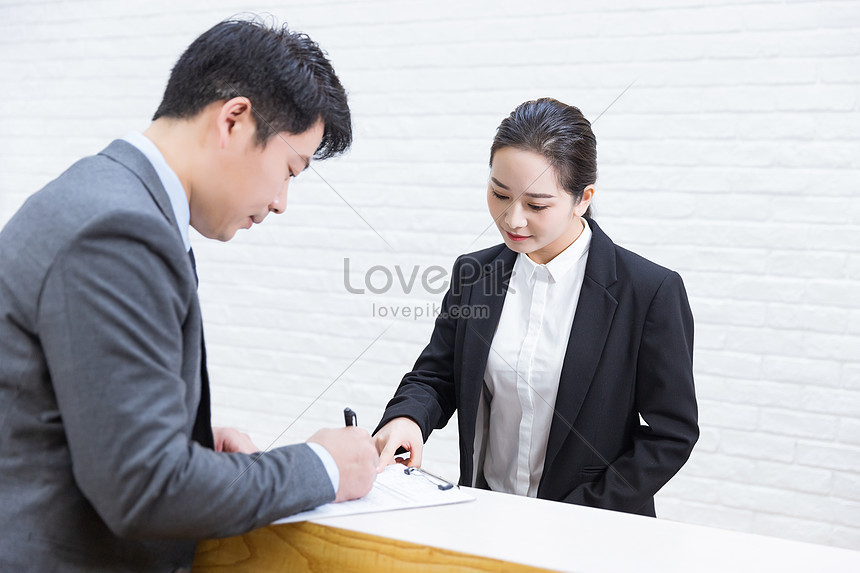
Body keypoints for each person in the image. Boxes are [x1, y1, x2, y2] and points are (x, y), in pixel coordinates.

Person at [0, 18, 377, 571]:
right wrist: (322, 467)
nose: (281, 202)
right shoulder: (119, 231)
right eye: (290, 169)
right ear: (234, 120)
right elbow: (147, 489)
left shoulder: (106, 198)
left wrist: (186, 439)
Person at [374, 98, 698, 517]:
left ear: (583, 198)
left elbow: (670, 435)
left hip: (592, 530)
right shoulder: (475, 273)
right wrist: (408, 420)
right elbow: (437, 376)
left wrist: (578, 514)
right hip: (483, 514)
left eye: (537, 205)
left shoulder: (649, 291)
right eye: (499, 194)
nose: (513, 220)